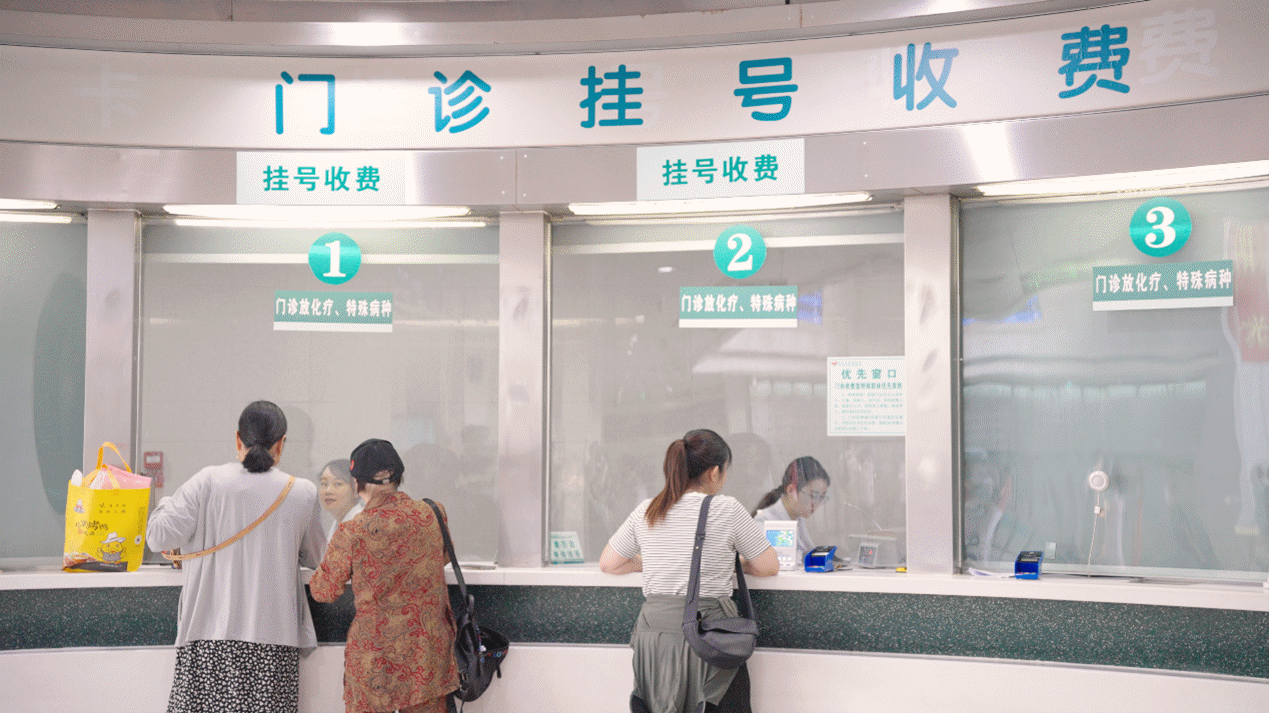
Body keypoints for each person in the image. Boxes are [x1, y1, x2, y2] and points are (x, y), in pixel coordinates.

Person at [146, 400, 325, 713]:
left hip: (207, 638)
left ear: (238, 439)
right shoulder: (302, 492)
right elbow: (317, 558)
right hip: (274, 644)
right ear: (281, 444)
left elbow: (157, 537)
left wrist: (164, 504)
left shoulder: (207, 481)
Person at [599, 429, 779, 713]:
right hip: (708, 637)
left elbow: (609, 563)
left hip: (653, 640)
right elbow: (768, 566)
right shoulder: (726, 508)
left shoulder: (648, 509)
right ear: (715, 472)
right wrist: (728, 562)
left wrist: (654, 561)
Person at [309, 438, 459, 713]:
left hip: (375, 659)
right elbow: (444, 557)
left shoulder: (352, 531)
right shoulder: (432, 513)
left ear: (357, 483)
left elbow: (324, 591)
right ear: (399, 477)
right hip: (427, 655)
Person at [752, 456, 831, 562]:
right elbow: (780, 561)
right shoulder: (766, 522)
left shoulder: (797, 519)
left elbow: (809, 553)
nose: (818, 504)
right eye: (814, 495)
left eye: (821, 497)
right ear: (791, 491)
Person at [318, 458, 363, 542]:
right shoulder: (338, 524)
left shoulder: (362, 528)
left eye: (338, 484)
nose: (328, 491)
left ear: (356, 489)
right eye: (324, 483)